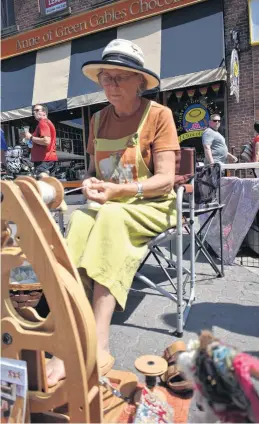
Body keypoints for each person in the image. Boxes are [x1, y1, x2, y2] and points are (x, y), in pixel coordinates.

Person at [45, 38, 180, 387]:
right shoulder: (98, 120)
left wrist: (121, 191)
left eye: (121, 77)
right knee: (79, 219)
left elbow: (166, 181)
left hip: (152, 206)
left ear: (140, 81)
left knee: (107, 217)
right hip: (112, 205)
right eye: (106, 77)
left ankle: (98, 343)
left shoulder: (159, 115)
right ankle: (68, 330)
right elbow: (93, 171)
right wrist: (89, 184)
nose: (112, 84)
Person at [24, 104, 58, 175]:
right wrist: (29, 139)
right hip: (48, 159)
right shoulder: (47, 122)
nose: (34, 112)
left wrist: (30, 137)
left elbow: (46, 141)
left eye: (37, 110)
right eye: (33, 111)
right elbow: (33, 144)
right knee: (49, 184)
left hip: (43, 160)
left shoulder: (43, 122)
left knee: (42, 183)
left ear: (44, 112)